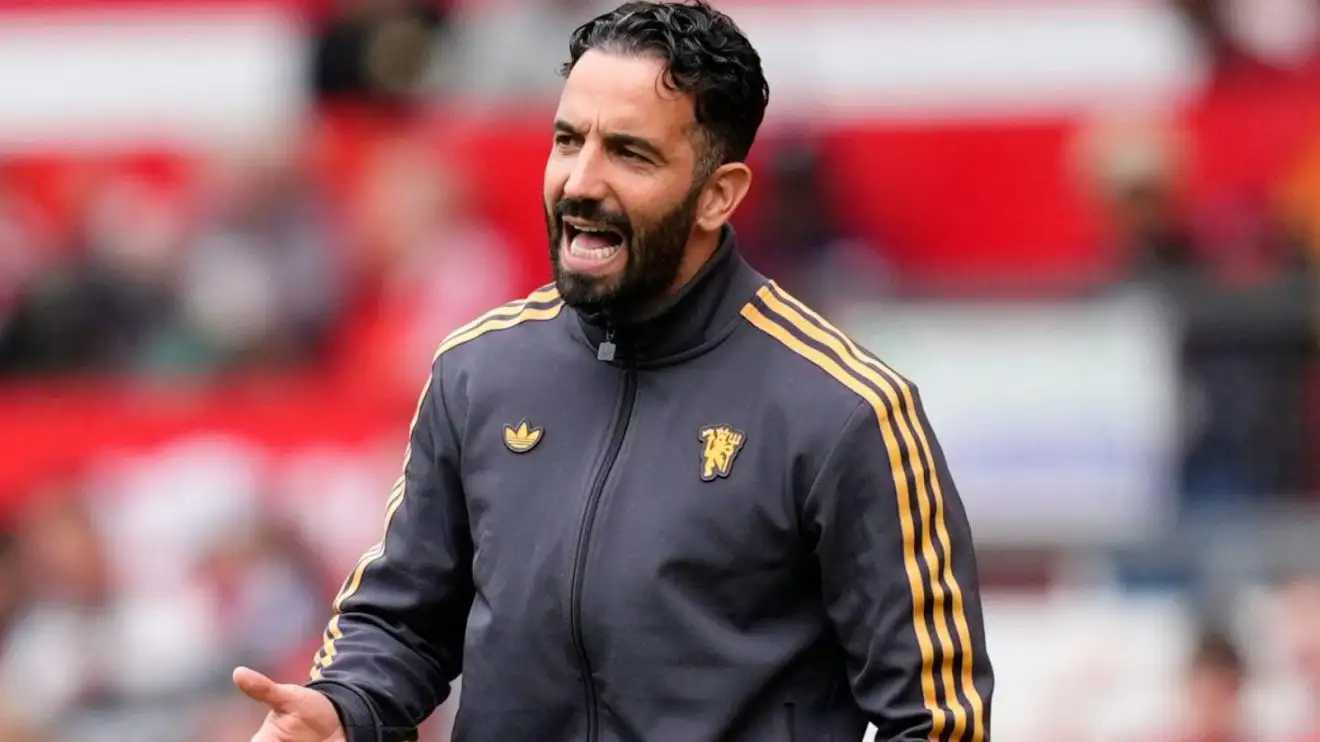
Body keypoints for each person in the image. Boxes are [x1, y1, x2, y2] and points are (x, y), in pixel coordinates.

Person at [233, 2, 994, 741]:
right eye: (569, 141)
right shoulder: (476, 374)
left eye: (630, 154)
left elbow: (935, 721)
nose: (580, 181)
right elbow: (401, 624)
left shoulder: (845, 411)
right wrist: (345, 708)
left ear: (718, 196)